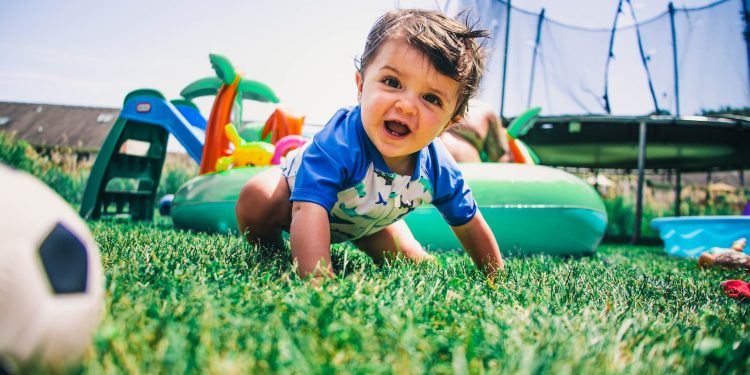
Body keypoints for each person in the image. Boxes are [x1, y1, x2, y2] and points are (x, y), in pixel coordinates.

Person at [235, 9, 504, 281]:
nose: (407, 106)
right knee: (258, 197)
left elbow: (470, 225)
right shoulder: (340, 141)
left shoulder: (437, 165)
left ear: (448, 124)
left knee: (414, 264)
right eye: (392, 82)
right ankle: (271, 250)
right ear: (361, 86)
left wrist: (496, 278)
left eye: (431, 99)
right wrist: (318, 281)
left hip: (368, 222)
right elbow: (308, 209)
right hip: (297, 201)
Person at [440, 99, 513, 163]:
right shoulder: (440, 100)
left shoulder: (484, 110)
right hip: (433, 168)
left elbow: (503, 157)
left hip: (469, 173)